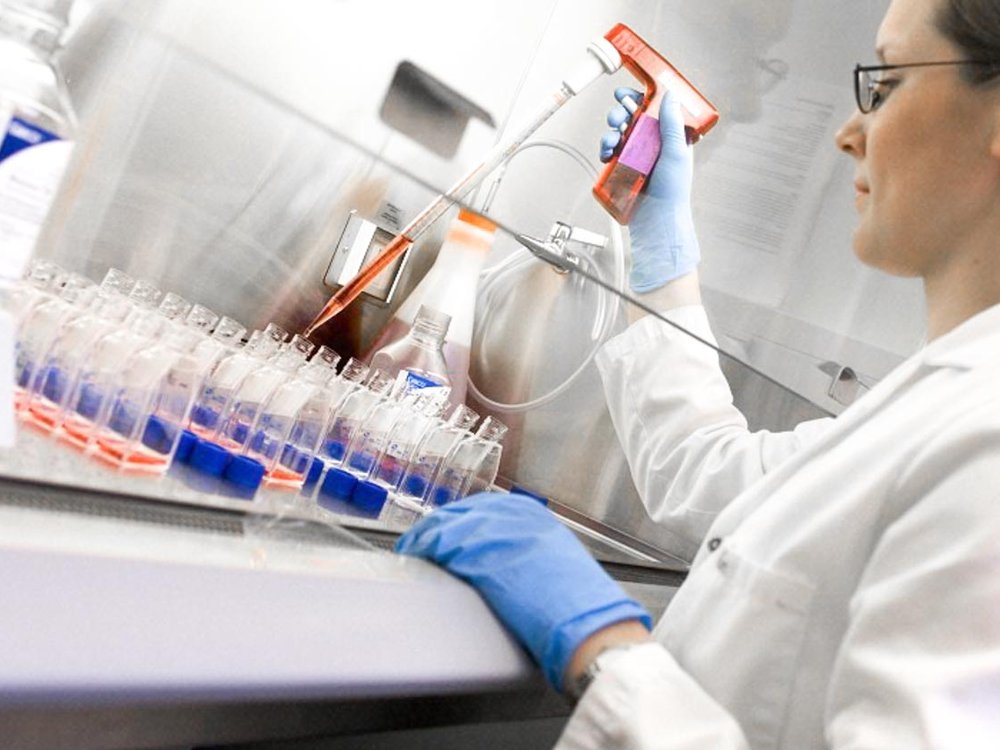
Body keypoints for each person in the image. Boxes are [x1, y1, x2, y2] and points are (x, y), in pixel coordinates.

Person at [396, 0, 1000, 746]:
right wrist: (661, 255)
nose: (850, 134)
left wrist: (607, 654)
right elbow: (710, 474)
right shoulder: (944, 402)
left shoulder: (986, 445)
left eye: (886, 83)